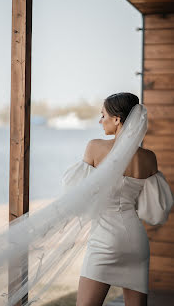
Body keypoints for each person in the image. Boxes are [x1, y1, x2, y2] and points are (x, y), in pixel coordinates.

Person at [59, 92, 173, 306]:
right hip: (136, 242)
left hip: (105, 239)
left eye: (103, 115)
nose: (100, 121)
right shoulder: (149, 158)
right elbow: (155, 210)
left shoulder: (95, 147)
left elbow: (73, 193)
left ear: (117, 119)